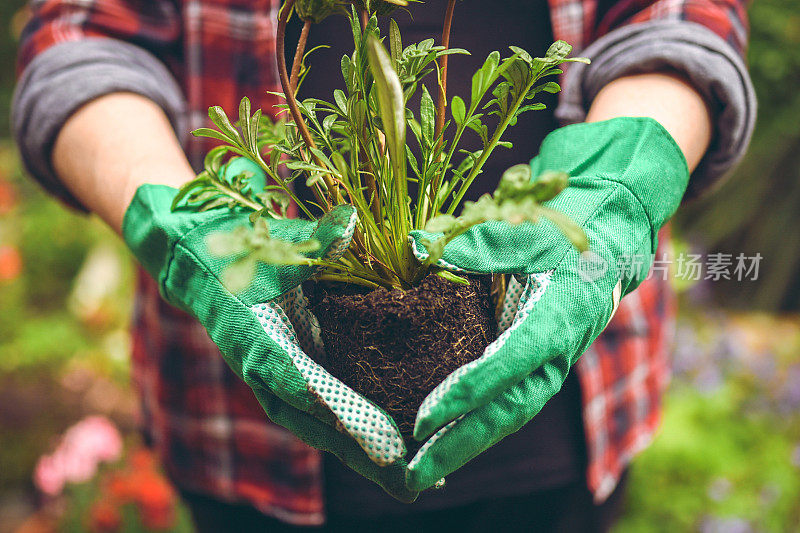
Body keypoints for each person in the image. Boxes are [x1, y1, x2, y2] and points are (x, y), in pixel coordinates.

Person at [13, 0, 754, 531]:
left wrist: (618, 182)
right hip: (242, 440)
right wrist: (180, 219)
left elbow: (678, 15)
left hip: (569, 424)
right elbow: (78, 37)